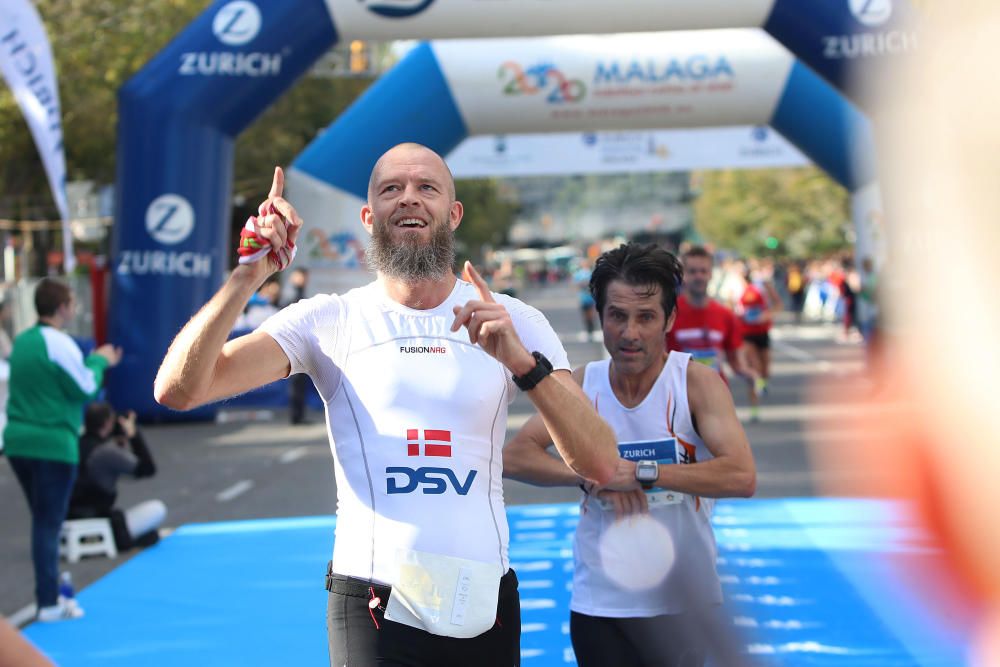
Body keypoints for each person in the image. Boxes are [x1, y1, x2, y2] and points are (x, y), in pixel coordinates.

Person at [153, 144, 619, 667]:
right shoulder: (328, 319)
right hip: (373, 602)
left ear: (453, 212)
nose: (408, 199)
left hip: (483, 596)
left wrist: (523, 366)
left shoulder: (511, 319)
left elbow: (600, 463)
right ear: (368, 217)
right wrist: (248, 277)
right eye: (391, 189)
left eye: (427, 187)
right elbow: (180, 389)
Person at [504, 242, 756, 667]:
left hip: (684, 603)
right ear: (599, 316)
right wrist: (591, 475)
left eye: (646, 317)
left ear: (669, 319)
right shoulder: (583, 385)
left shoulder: (695, 384)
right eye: (617, 316)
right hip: (602, 606)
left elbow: (741, 476)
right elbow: (515, 455)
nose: (630, 332)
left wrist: (644, 473)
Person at [4, 278, 121, 622]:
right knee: (48, 524)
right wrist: (100, 361)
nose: (75, 308)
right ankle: (50, 602)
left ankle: (52, 591)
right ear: (61, 308)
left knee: (42, 522)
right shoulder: (59, 343)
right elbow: (85, 386)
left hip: (17, 441)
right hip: (53, 443)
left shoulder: (22, 342)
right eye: (72, 302)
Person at [68, 402, 166, 550]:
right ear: (108, 423)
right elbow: (147, 469)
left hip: (66, 513)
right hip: (98, 516)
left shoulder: (75, 442)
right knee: (157, 509)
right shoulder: (107, 452)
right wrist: (134, 436)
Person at [668, 246, 755, 386]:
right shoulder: (668, 313)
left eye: (703, 271)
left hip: (716, 393)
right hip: (678, 395)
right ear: (683, 275)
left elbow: (737, 363)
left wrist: (751, 375)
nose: (699, 276)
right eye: (692, 271)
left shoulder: (725, 315)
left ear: (711, 274)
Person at [736, 264, 773, 422]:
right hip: (746, 334)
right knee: (754, 368)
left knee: (765, 370)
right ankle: (755, 410)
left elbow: (778, 306)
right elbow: (732, 311)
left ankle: (762, 383)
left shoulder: (761, 289)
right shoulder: (735, 292)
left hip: (762, 333)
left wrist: (766, 315)